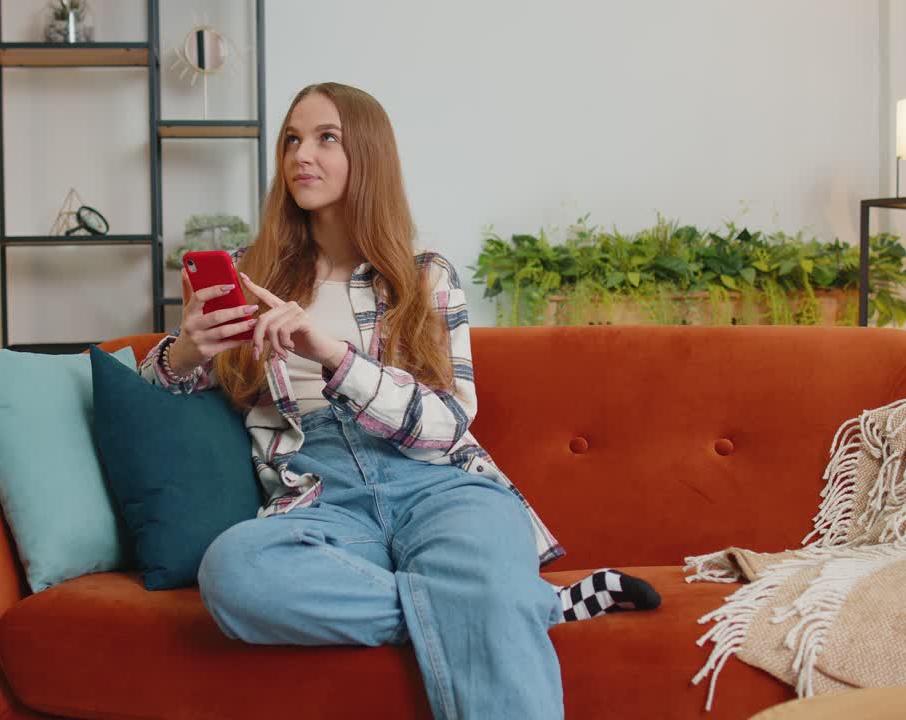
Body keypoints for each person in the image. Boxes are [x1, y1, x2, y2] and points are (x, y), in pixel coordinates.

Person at [138, 82, 660, 720]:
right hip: (318, 496)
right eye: (292, 140)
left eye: (326, 138)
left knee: (482, 563)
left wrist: (331, 354)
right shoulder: (252, 276)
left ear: (367, 155)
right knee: (234, 573)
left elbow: (447, 424)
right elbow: (147, 405)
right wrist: (185, 352)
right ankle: (521, 605)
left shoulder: (425, 277)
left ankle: (495, 596)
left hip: (439, 485)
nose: (302, 154)